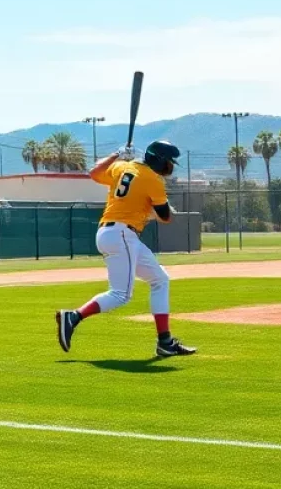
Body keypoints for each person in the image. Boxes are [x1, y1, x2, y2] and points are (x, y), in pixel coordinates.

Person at [55, 141, 196, 359]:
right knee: (120, 295)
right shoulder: (152, 179)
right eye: (168, 162)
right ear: (158, 160)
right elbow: (166, 217)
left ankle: (165, 342)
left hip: (114, 233)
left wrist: (117, 155)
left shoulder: (122, 167)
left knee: (160, 279)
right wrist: (156, 209)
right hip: (122, 234)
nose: (170, 167)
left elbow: (94, 173)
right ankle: (73, 317)